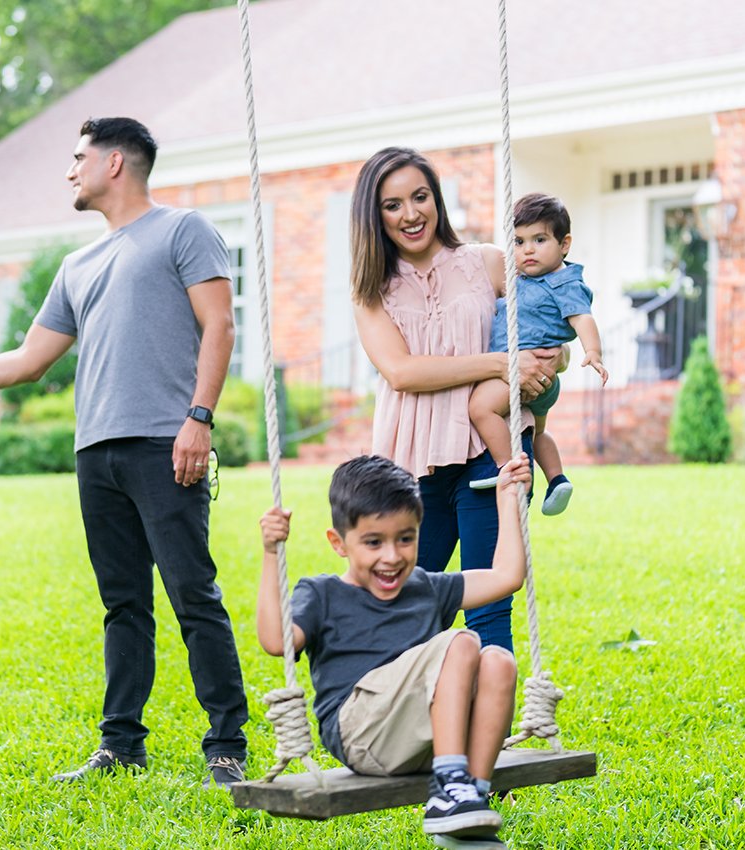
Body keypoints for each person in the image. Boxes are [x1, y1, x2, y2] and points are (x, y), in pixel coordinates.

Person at [0, 117, 249, 787]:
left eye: (78, 158)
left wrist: (199, 419)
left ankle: (226, 743)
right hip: (97, 452)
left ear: (115, 162)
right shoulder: (78, 264)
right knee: (123, 603)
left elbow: (221, 324)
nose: (69, 171)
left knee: (192, 592)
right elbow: (28, 360)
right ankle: (121, 745)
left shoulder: (183, 230)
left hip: (165, 440)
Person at [350, 147, 562, 653]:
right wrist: (500, 364)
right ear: (374, 215)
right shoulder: (370, 290)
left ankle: (493, 732)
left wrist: (550, 365)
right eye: (393, 204)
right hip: (413, 463)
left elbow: (547, 322)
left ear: (436, 199)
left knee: (487, 604)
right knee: (406, 608)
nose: (411, 214)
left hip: (489, 455)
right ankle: (408, 724)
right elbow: (402, 372)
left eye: (420, 197)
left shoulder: (488, 262)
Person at [257, 453, 531, 844]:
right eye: (373, 542)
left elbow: (507, 577)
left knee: (499, 662)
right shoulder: (323, 594)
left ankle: (468, 797)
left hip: (424, 741)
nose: (392, 556)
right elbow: (274, 641)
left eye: (406, 538)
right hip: (361, 735)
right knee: (462, 642)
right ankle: (452, 785)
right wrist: (271, 554)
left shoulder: (426, 587)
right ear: (339, 543)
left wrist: (506, 498)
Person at [467, 193, 608, 516]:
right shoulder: (521, 280)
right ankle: (557, 478)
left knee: (480, 407)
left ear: (565, 244)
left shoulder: (563, 282)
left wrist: (593, 352)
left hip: (522, 373)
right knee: (540, 431)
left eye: (539, 239)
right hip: (539, 381)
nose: (527, 249)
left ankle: (508, 468)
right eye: (518, 241)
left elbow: (582, 317)